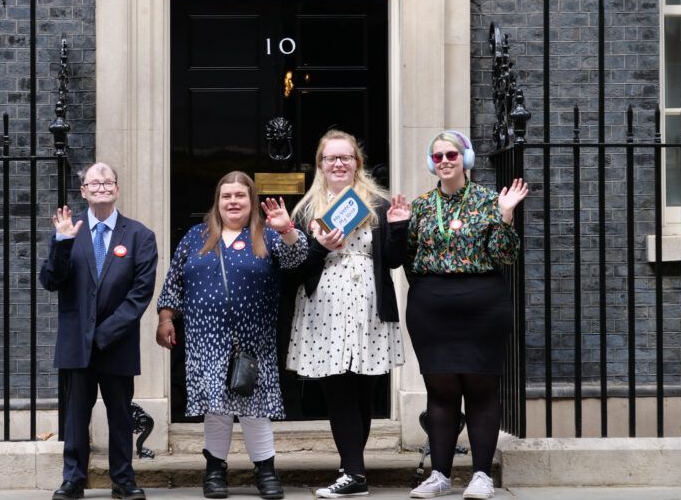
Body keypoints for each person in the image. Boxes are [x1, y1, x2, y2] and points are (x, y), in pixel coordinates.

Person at [156, 171, 307, 500]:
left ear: (251, 201)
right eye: (227, 196)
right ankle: (214, 472)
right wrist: (165, 317)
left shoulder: (268, 236)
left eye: (240, 195)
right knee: (217, 409)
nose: (233, 201)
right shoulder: (197, 236)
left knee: (254, 409)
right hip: (205, 339)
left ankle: (265, 471)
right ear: (218, 201)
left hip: (252, 343)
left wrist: (287, 230)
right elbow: (174, 280)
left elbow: (297, 259)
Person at [285, 129, 410, 498]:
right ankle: (354, 473)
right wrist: (320, 247)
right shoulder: (306, 209)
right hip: (324, 304)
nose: (338, 163)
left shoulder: (379, 205)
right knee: (337, 387)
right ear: (320, 165)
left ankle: (351, 468)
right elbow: (295, 270)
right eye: (330, 158)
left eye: (346, 157)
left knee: (362, 390)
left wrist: (399, 228)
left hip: (368, 304)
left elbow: (394, 261)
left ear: (357, 162)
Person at [405, 131, 528, 500]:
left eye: (452, 155)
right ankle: (440, 474)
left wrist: (506, 217)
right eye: (438, 156)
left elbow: (505, 257)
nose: (445, 161)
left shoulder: (491, 201)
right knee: (440, 390)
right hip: (432, 307)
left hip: (482, 303)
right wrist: (432, 288)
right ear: (431, 163)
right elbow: (410, 256)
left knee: (480, 389)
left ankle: (480, 476)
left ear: (465, 159)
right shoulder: (423, 205)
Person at [40, 162, 157, 500]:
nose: (102, 187)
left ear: (117, 189)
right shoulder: (67, 230)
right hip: (76, 345)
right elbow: (51, 281)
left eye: (108, 182)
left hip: (116, 343)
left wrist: (105, 334)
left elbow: (139, 295)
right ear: (84, 191)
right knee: (76, 417)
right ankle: (73, 479)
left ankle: (123, 479)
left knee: (120, 416)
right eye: (95, 182)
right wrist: (61, 242)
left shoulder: (140, 236)